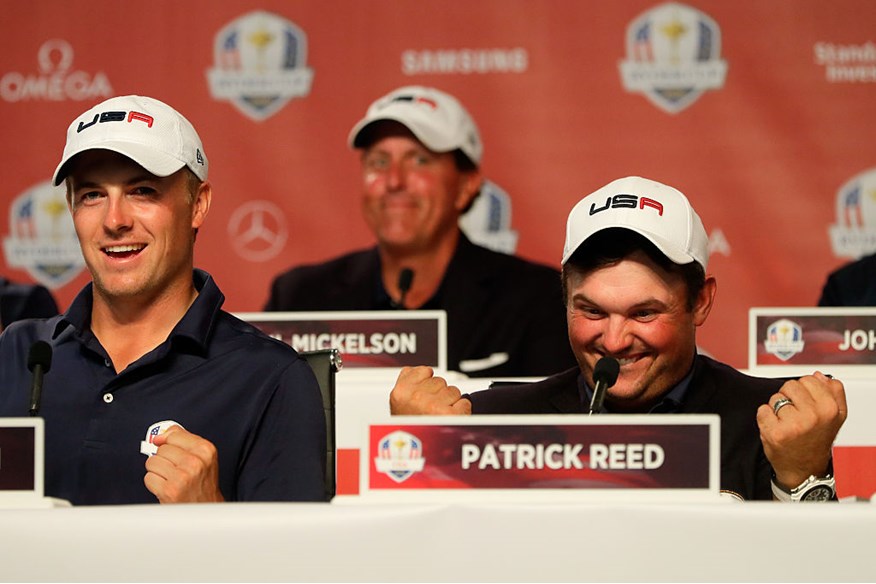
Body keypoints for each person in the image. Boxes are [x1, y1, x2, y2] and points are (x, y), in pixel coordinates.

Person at [390, 176, 847, 501]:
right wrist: (424, 454)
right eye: (591, 311)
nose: (614, 340)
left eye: (644, 313)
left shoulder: (771, 422)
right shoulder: (487, 421)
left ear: (701, 302)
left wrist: (802, 477)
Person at [0, 95, 326, 505]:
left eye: (142, 191)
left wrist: (212, 515)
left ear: (198, 204)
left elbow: (297, 564)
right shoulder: (18, 353)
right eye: (91, 195)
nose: (115, 220)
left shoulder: (270, 378)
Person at [265, 86, 575, 378]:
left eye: (419, 160)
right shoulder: (299, 297)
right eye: (379, 161)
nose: (394, 180)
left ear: (466, 186)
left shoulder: (535, 299)